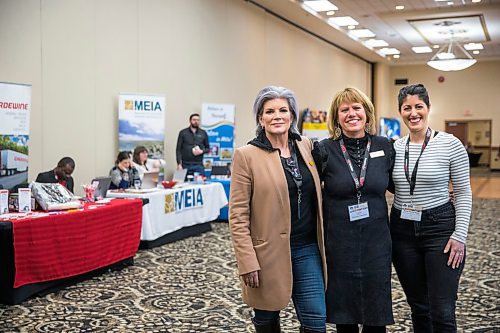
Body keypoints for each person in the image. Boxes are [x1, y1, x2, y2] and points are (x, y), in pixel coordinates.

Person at [229, 86, 327, 333]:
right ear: (260, 119)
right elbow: (238, 216)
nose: (277, 116)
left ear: (292, 116)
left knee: (316, 323)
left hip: (307, 249)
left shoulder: (306, 146)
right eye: (269, 111)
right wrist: (247, 261)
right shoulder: (246, 155)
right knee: (266, 320)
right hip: (266, 254)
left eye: (283, 110)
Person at [391, 84, 472, 332]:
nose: (413, 113)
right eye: (407, 108)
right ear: (400, 112)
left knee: (442, 309)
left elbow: (463, 192)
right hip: (402, 230)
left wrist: (460, 236)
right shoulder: (394, 147)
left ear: (428, 108)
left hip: (439, 229)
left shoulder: (450, 144)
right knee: (418, 306)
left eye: (419, 106)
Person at [314, 87, 395, 332]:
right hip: (339, 243)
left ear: (367, 113)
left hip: (377, 243)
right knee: (344, 316)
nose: (352, 114)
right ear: (336, 117)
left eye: (356, 107)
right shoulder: (324, 149)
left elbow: (401, 185)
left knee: (375, 316)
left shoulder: (385, 146)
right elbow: (309, 189)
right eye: (344, 109)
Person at [176, 113, 209, 177]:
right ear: (190, 120)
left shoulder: (203, 133)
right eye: (194, 120)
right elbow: (178, 149)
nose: (196, 121)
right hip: (185, 165)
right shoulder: (183, 132)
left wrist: (201, 151)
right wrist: (179, 164)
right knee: (184, 185)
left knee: (201, 185)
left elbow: (208, 148)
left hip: (198, 165)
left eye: (198, 120)